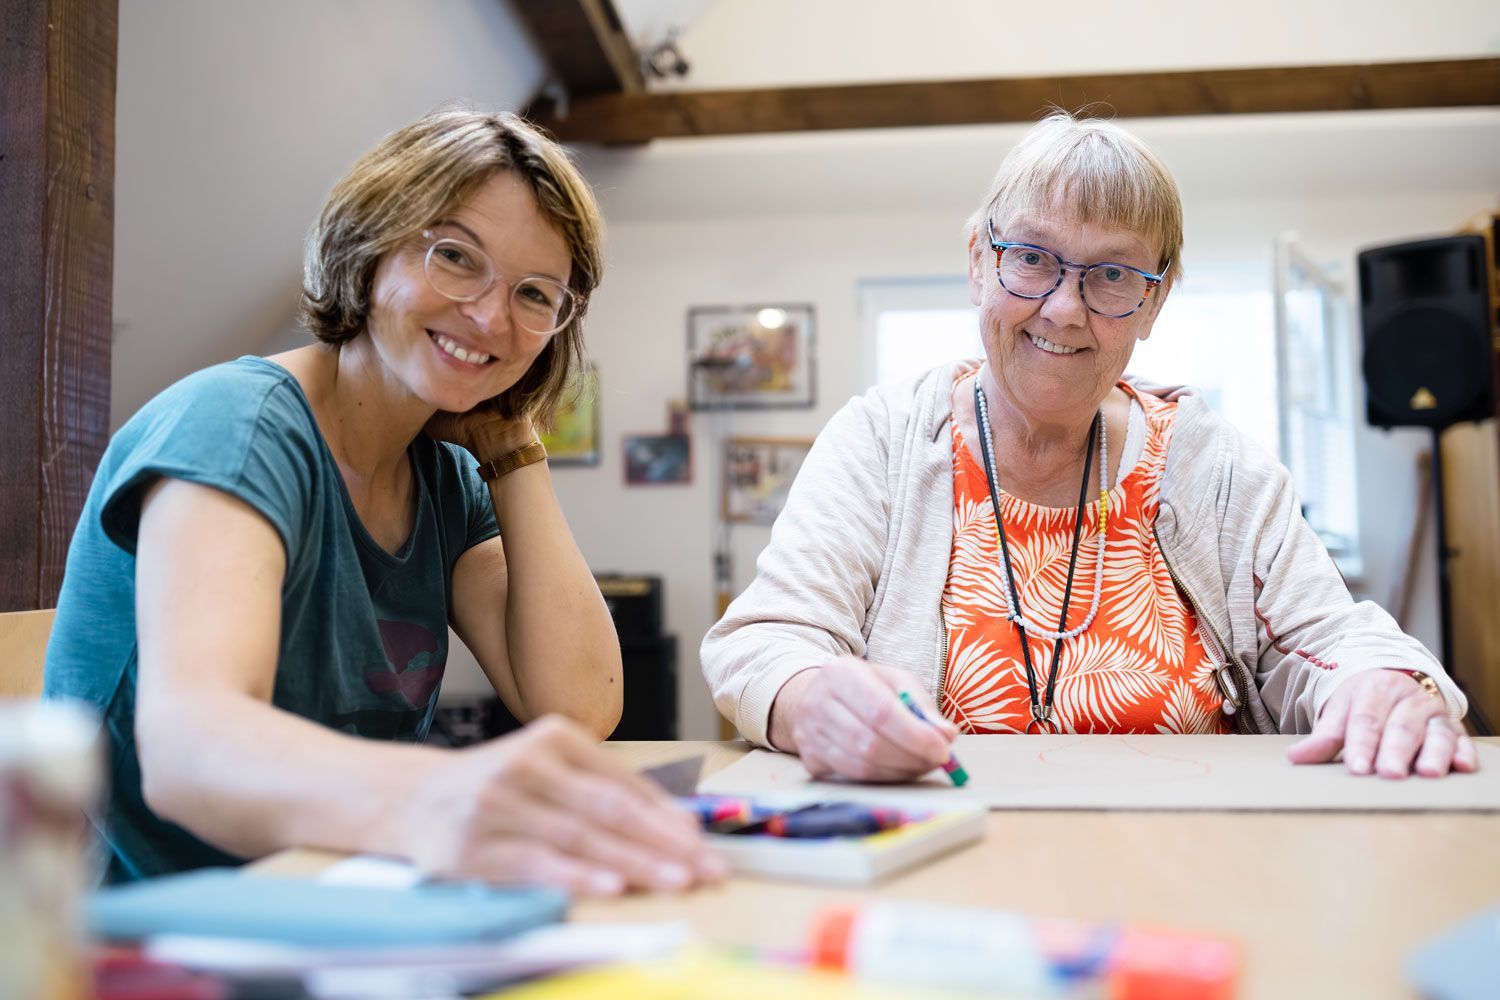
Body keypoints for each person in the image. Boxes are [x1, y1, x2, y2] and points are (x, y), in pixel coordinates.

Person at [45, 107, 722, 894]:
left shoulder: (443, 476)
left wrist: (514, 449)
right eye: (455, 257)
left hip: (338, 904)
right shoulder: (237, 427)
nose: (491, 317)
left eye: (537, 295)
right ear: (368, 248)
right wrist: (441, 792)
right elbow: (191, 752)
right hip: (158, 934)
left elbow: (578, 702)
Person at [701, 112, 1477, 784]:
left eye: (1111, 275)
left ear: (1155, 301)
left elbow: (1330, 640)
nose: (1064, 310)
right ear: (979, 258)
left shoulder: (1214, 466)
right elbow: (769, 640)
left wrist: (1381, 684)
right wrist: (812, 699)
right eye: (1032, 258)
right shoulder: (882, 440)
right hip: (937, 865)